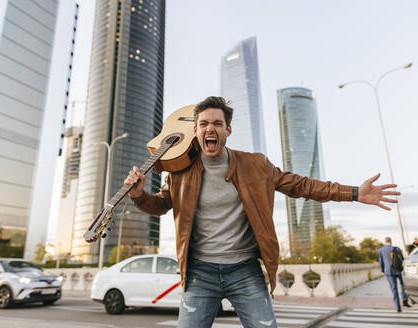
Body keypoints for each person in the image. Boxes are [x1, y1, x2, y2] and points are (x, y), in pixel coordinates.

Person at [125, 96, 401, 328]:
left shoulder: (256, 165)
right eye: (204, 124)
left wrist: (354, 193)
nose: (211, 128)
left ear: (228, 130)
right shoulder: (179, 171)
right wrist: (138, 195)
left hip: (245, 271)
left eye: (218, 124)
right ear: (195, 131)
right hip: (199, 274)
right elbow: (160, 205)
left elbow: (302, 186)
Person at [378, 236, 411, 312]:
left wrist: (383, 271)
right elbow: (401, 259)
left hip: (388, 271)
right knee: (403, 285)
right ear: (391, 241)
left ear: (385, 241)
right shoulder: (397, 248)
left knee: (394, 288)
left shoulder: (381, 250)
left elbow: (381, 262)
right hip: (398, 269)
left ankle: (397, 307)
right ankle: (404, 300)